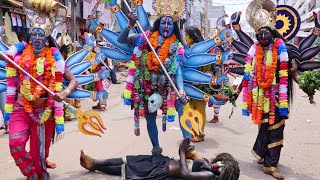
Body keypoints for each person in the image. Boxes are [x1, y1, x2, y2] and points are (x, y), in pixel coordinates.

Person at [2, 0, 78, 179]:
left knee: (39, 156)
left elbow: (73, 80)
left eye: (41, 35)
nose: (37, 38)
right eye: (34, 34)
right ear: (30, 36)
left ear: (46, 39)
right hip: (21, 108)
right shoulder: (18, 58)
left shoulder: (55, 59)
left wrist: (64, 93)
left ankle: (38, 172)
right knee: (15, 144)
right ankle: (31, 172)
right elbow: (7, 63)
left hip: (45, 111)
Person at [118, 3, 188, 155]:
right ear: (158, 23)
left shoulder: (177, 46)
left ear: (174, 26)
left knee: (182, 107)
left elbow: (178, 71)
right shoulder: (146, 37)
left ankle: (188, 146)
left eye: (170, 23)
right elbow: (122, 40)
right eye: (163, 22)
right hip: (148, 85)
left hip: (168, 86)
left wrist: (181, 90)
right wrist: (130, 25)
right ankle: (156, 149)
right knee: (150, 117)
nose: (166, 26)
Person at [80, 138, 240, 180]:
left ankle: (94, 165)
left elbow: (185, 173)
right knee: (127, 161)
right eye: (222, 162)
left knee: (126, 170)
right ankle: (95, 161)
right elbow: (194, 158)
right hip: (162, 162)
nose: (219, 164)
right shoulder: (208, 166)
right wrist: (189, 149)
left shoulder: (209, 176)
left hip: (162, 171)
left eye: (223, 167)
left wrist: (183, 152)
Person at [182, 26, 208, 142]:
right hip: (188, 85)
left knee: (200, 110)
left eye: (186, 35)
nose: (185, 37)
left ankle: (200, 134)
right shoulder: (186, 49)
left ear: (192, 37)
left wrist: (200, 80)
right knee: (190, 110)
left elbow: (207, 67)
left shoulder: (201, 49)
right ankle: (194, 131)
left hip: (199, 85)